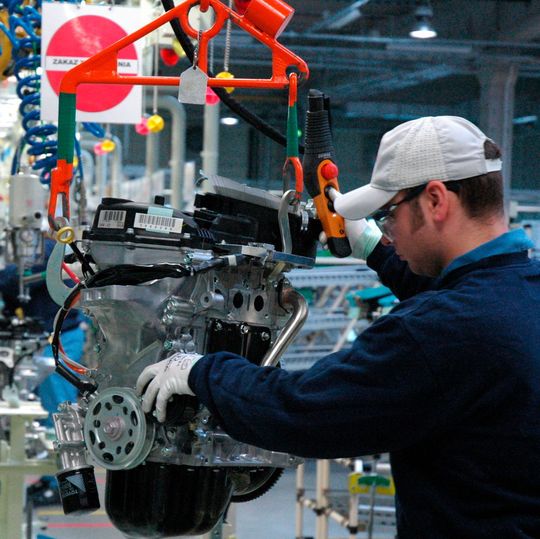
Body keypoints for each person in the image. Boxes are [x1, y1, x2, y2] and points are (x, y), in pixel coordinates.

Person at [136, 116, 540, 538]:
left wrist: (201, 372)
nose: (389, 231)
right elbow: (471, 300)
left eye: (388, 214)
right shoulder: (521, 294)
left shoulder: (437, 333)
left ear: (436, 200)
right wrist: (375, 250)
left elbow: (302, 409)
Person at [0, 239, 85, 505]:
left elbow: (15, 280)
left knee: (62, 416)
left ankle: (73, 491)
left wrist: (5, 276)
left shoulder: (45, 249)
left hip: (60, 340)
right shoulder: (33, 248)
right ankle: (51, 482)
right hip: (47, 338)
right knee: (50, 416)